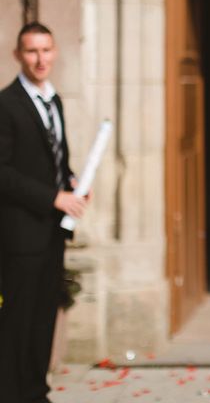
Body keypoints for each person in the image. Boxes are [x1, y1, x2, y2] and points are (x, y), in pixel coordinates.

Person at [0, 22, 88, 403]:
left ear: (54, 53)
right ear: (18, 55)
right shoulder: (6, 104)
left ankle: (36, 392)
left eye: (46, 50)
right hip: (20, 232)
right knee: (17, 320)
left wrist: (71, 184)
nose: (40, 59)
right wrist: (53, 197)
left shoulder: (54, 99)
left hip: (52, 231)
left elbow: (55, 160)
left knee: (42, 318)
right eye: (32, 51)